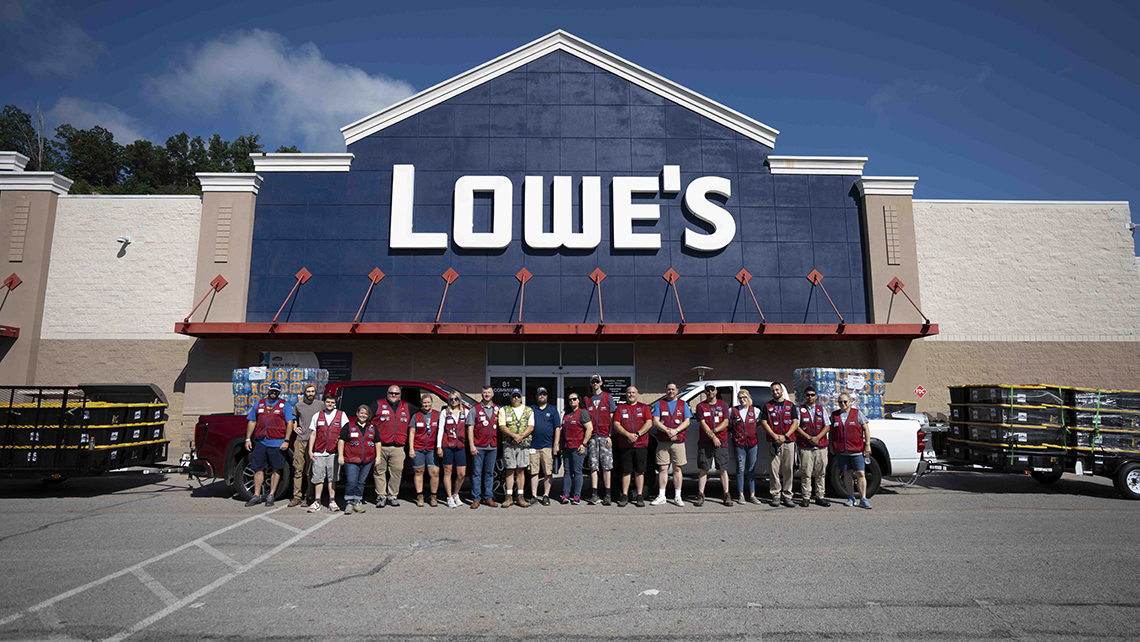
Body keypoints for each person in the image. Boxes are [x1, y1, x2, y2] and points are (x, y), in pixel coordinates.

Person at [243, 382, 295, 507]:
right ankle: (256, 495)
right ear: (268, 390)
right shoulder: (259, 404)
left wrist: (286, 440)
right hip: (260, 441)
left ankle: (271, 494)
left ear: (279, 392)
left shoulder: (285, 405)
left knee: (276, 469)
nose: (274, 392)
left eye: (276, 391)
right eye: (272, 390)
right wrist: (248, 439)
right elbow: (252, 421)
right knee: (258, 468)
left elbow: (290, 423)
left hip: (277, 442)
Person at [371, 384, 412, 507]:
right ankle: (381, 496)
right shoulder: (377, 405)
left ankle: (393, 495)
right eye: (391, 393)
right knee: (379, 472)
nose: (394, 395)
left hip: (398, 448)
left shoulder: (407, 407)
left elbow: (423, 413)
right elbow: (364, 419)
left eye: (396, 393)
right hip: (380, 446)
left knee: (397, 472)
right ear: (387, 393)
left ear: (400, 395)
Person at [651, 381, 691, 506]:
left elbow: (687, 421)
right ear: (666, 390)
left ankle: (677, 496)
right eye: (669, 389)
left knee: (677, 468)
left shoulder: (683, 404)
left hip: (678, 441)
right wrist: (667, 431)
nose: (671, 391)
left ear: (677, 390)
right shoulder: (660, 404)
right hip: (663, 441)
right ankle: (661, 495)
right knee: (663, 468)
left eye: (673, 389)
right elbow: (656, 421)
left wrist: (676, 431)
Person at [307, 392, 348, 512]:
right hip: (319, 452)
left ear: (335, 404)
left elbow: (344, 434)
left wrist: (341, 453)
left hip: (333, 452)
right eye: (328, 402)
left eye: (332, 402)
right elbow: (313, 433)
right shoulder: (317, 415)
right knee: (318, 478)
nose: (330, 404)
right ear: (324, 403)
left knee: (332, 478)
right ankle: (317, 501)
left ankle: (332, 500)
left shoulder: (341, 415)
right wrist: (310, 450)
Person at [612, 385, 652, 507]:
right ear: (626, 394)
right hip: (625, 445)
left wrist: (638, 434)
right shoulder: (621, 408)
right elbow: (616, 424)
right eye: (629, 393)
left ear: (637, 394)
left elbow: (649, 422)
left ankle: (639, 496)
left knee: (640, 471)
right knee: (626, 471)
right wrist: (628, 434)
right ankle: (624, 495)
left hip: (641, 444)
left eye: (633, 392)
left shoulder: (644, 407)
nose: (631, 395)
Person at [830, 393, 872, 509]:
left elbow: (866, 429)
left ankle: (863, 498)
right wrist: (831, 445)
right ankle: (851, 497)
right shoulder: (834, 415)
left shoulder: (857, 413)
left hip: (856, 449)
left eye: (845, 401)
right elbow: (831, 433)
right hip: (842, 450)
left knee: (860, 473)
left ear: (850, 402)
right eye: (840, 402)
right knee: (846, 473)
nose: (842, 404)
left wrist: (867, 445)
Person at [762, 382, 799, 508]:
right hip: (773, 442)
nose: (775, 392)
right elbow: (764, 422)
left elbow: (795, 422)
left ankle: (788, 495)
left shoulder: (790, 405)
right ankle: (776, 495)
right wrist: (774, 436)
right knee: (774, 470)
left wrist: (785, 436)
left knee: (788, 469)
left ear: (782, 390)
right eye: (773, 390)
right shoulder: (767, 406)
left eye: (777, 390)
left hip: (788, 442)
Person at [695, 384, 732, 507]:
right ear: (705, 392)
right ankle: (701, 494)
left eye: (712, 389)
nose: (710, 392)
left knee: (723, 469)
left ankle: (726, 494)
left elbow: (726, 422)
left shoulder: (723, 405)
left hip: (721, 441)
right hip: (706, 442)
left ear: (716, 391)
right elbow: (703, 423)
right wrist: (713, 437)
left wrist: (715, 433)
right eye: (707, 390)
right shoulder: (700, 406)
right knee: (704, 469)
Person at [583, 374, 617, 505]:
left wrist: (610, 435)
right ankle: (594, 493)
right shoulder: (587, 399)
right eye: (593, 382)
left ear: (601, 383)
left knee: (607, 467)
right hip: (592, 438)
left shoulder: (608, 397)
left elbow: (612, 417)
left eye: (597, 382)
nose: (595, 384)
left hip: (605, 437)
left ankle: (607, 494)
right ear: (591, 384)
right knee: (593, 467)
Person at [498, 388, 534, 508]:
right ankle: (508, 497)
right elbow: (502, 426)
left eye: (518, 396)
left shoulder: (529, 410)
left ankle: (520, 497)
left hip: (523, 445)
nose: (516, 398)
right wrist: (513, 435)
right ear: (510, 397)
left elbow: (531, 426)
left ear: (521, 397)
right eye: (514, 396)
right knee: (509, 470)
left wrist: (521, 436)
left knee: (521, 471)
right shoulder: (504, 410)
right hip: (509, 444)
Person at [796, 386, 831, 508]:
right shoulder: (799, 410)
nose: (810, 397)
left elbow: (827, 426)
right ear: (804, 397)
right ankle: (806, 496)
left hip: (821, 446)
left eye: (812, 395)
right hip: (806, 446)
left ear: (816, 396)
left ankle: (820, 496)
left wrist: (817, 438)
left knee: (821, 473)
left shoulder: (822, 410)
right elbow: (797, 426)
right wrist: (809, 438)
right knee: (806, 472)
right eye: (807, 395)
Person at [555, 392, 593, 505]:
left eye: (574, 399)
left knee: (577, 471)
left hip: (578, 448)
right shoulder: (567, 414)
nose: (572, 401)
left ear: (578, 400)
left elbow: (589, 429)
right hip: (567, 447)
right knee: (567, 471)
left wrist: (584, 444)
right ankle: (565, 494)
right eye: (570, 399)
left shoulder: (583, 413)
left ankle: (577, 495)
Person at [466, 385, 500, 509]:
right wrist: (471, 445)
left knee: (489, 473)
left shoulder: (497, 409)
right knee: (476, 473)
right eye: (485, 392)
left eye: (489, 392)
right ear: (482, 394)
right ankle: (476, 498)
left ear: (493, 394)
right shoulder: (475, 409)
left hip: (492, 447)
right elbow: (470, 428)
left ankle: (488, 497)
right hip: (478, 447)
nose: (486, 394)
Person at [338, 405, 376, 514]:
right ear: (357, 413)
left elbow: (377, 442)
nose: (363, 415)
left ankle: (357, 501)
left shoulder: (372, 427)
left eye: (365, 413)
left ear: (368, 416)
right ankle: (349, 503)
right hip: (351, 459)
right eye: (361, 413)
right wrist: (341, 456)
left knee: (361, 482)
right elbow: (341, 441)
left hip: (367, 460)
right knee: (351, 481)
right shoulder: (349, 426)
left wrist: (377, 457)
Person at [289, 383, 321, 508]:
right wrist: (294, 426)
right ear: (304, 393)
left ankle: (309, 496)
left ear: (315, 393)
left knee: (310, 471)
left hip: (314, 442)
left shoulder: (321, 405)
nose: (310, 394)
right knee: (298, 469)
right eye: (308, 391)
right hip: (300, 441)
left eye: (313, 391)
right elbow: (294, 419)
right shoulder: (298, 406)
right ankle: (296, 496)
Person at [730, 388, 762, 504]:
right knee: (740, 469)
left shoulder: (756, 411)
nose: (742, 400)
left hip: (752, 443)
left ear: (749, 398)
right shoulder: (732, 411)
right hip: (739, 444)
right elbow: (728, 423)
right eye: (740, 398)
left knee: (751, 469)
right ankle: (741, 495)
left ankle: (752, 495)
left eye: (744, 397)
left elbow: (759, 423)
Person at [528, 387, 560, 506]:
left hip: (547, 446)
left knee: (548, 472)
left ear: (547, 396)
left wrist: (556, 444)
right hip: (533, 446)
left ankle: (546, 495)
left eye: (544, 394)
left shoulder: (552, 410)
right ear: (536, 396)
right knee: (534, 472)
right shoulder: (531, 409)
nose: (542, 396)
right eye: (540, 394)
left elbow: (557, 428)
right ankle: (534, 495)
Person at [409, 393, 442, 507]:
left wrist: (440, 447)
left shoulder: (438, 415)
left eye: (428, 402)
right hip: (418, 447)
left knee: (434, 473)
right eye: (424, 402)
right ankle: (420, 496)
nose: (426, 404)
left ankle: (433, 496)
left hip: (432, 448)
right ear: (421, 404)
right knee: (419, 472)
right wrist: (411, 449)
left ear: (432, 403)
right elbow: (412, 432)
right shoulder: (416, 416)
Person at [438, 393, 468, 509]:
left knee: (461, 474)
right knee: (447, 472)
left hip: (460, 445)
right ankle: (449, 497)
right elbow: (441, 430)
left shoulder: (465, 412)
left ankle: (456, 494)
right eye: (451, 399)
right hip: (447, 445)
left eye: (456, 399)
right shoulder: (445, 412)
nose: (454, 401)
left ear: (459, 400)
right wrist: (439, 447)